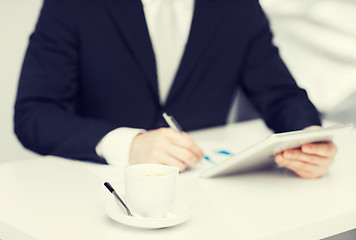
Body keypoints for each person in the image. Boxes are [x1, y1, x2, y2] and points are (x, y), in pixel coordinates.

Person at [15, 0, 336, 179]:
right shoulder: (73, 5)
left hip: (201, 194)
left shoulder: (239, 7)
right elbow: (34, 114)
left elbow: (280, 94)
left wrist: (306, 138)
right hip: (94, 186)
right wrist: (130, 145)